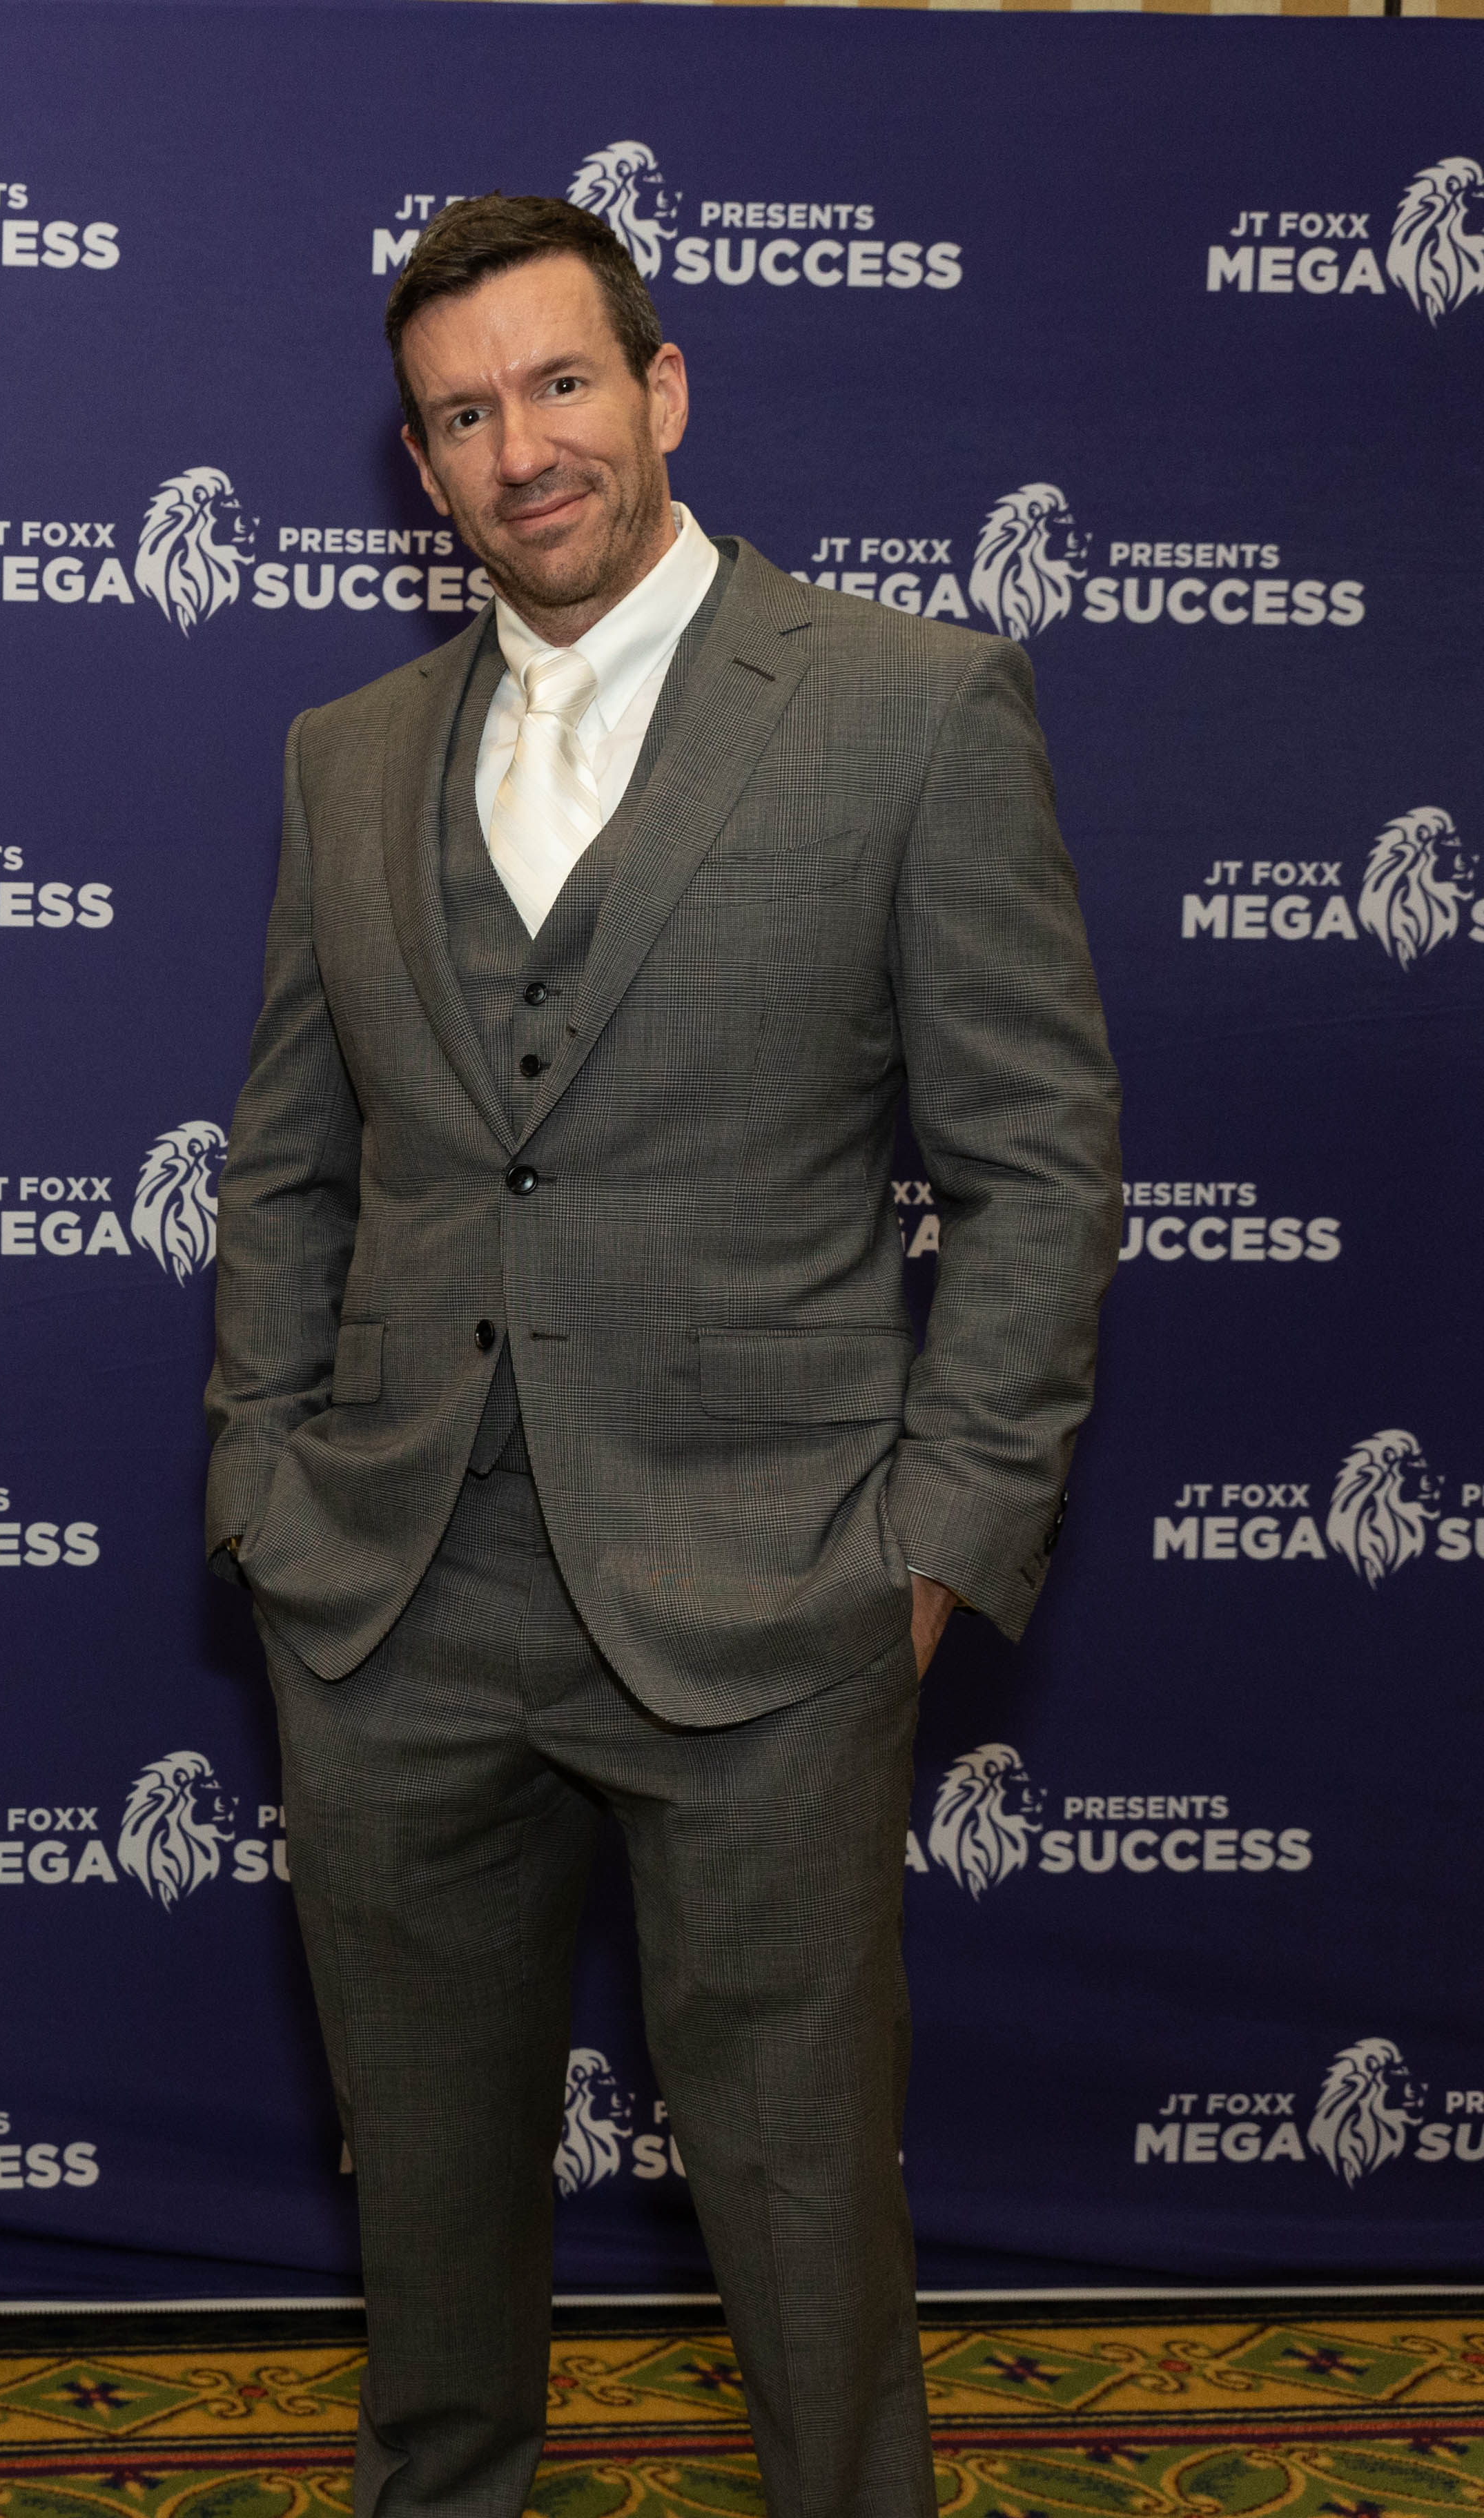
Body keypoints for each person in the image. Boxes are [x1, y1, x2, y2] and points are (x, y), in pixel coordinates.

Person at [204, 192, 1120, 2518]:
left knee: (807, 2234)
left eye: (559, 385)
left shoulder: (911, 705)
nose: (520, 450)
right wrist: (266, 1488)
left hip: (773, 1591)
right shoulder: (343, 755)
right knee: (426, 2244)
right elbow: (289, 1169)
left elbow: (1035, 1166)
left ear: (665, 386)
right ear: (419, 465)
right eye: (461, 418)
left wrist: (933, 1544)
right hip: (393, 1599)